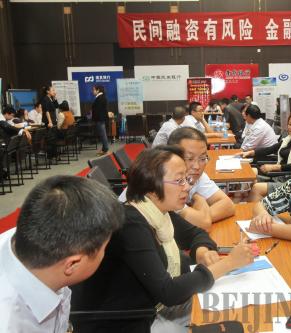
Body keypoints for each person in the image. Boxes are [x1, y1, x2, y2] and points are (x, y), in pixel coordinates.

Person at [71, 147, 257, 333]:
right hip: (122, 322)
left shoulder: (159, 211)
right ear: (151, 188)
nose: (187, 186)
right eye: (179, 180)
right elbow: (169, 292)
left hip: (152, 307)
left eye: (186, 179)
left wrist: (202, 252)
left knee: (235, 311)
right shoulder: (131, 224)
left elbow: (196, 234)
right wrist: (228, 263)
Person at [0, 175, 123, 333]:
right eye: (104, 248)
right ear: (72, 264)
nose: (104, 254)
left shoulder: (29, 233)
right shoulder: (10, 323)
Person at [168, 127, 235, 229]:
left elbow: (228, 205)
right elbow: (204, 224)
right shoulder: (167, 183)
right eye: (190, 158)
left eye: (202, 158)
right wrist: (199, 199)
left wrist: (201, 216)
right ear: (173, 157)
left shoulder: (196, 176)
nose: (197, 166)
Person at [244, 111, 291, 201]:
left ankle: (257, 211)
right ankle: (257, 206)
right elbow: (271, 149)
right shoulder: (289, 139)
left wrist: (276, 167)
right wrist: (251, 152)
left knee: (256, 187)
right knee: (250, 174)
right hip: (279, 175)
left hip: (290, 179)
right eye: (289, 124)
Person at [91, 85, 109, 156]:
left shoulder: (100, 98)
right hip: (100, 119)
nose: (92, 91)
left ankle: (105, 149)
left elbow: (98, 111)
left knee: (103, 135)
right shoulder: (101, 97)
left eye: (93, 90)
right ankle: (104, 149)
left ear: (98, 90)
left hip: (100, 120)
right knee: (102, 135)